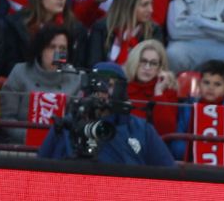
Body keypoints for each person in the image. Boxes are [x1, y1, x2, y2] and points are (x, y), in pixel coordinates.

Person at [35, 65, 176, 165]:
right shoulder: (66, 125)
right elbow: (38, 169)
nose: (102, 90)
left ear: (121, 90)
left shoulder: (141, 130)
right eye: (97, 83)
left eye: (110, 85)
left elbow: (168, 172)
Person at [172, 60, 224, 165]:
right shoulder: (187, 107)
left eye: (217, 84)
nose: (211, 88)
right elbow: (177, 142)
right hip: (192, 164)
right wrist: (197, 152)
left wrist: (217, 152)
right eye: (206, 83)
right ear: (199, 84)